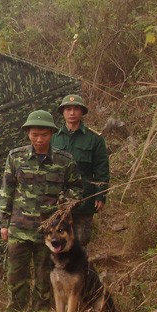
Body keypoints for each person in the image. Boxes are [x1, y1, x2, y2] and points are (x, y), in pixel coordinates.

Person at [0, 110, 82, 312]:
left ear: (52, 134)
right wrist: (4, 224)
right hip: (19, 228)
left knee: (45, 278)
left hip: (50, 233)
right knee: (16, 278)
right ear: (28, 133)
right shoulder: (15, 157)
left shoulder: (64, 161)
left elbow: (76, 189)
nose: (38, 139)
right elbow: (6, 191)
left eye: (43, 135)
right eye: (34, 134)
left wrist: (62, 202)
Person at [52, 94, 110, 248]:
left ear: (82, 112)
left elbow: (101, 168)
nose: (72, 113)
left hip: (84, 198)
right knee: (59, 243)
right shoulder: (53, 138)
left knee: (80, 242)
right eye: (68, 109)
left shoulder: (94, 139)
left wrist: (101, 194)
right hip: (58, 199)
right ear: (62, 112)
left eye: (76, 109)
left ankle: (83, 271)